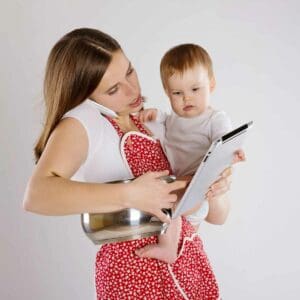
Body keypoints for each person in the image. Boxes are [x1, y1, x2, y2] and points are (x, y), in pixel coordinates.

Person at [23, 28, 235, 300]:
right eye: (113, 89)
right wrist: (130, 194)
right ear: (86, 95)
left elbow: (218, 217)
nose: (133, 89)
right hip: (133, 276)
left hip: (186, 267)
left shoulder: (149, 122)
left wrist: (214, 185)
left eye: (129, 71)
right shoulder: (83, 121)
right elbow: (37, 196)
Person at [136, 43, 245, 266]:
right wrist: (151, 116)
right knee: (184, 236)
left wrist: (234, 153)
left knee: (167, 203)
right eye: (177, 93)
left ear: (211, 85)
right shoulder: (170, 120)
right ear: (167, 93)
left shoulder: (215, 119)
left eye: (195, 89)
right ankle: (176, 250)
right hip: (182, 189)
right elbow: (155, 132)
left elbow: (225, 142)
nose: (187, 98)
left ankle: (168, 249)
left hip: (199, 189)